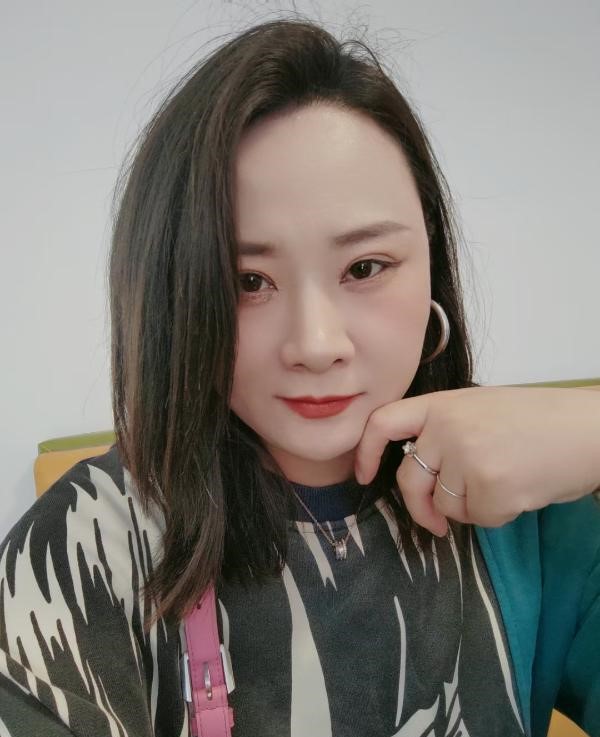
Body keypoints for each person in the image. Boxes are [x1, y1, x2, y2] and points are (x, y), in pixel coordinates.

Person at [1, 16, 599, 737]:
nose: (316, 345)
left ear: (432, 264)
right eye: (248, 281)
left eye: (365, 267)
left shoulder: (522, 500)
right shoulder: (86, 546)